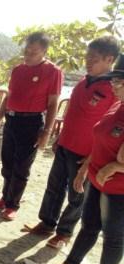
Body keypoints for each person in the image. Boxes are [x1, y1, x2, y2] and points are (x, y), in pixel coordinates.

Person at [23, 36, 120, 249]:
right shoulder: (84, 82)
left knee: (77, 195)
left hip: (86, 153)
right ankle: (47, 222)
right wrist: (60, 136)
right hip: (66, 144)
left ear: (109, 59)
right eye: (87, 56)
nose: (87, 61)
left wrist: (92, 157)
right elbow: (72, 114)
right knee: (54, 187)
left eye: (93, 58)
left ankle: (64, 233)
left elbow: (110, 128)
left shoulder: (114, 90)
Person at [42, 55, 124, 264]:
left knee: (114, 236)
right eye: (114, 81)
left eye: (119, 82)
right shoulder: (117, 106)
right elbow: (100, 139)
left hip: (118, 188)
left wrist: (114, 167)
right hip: (97, 179)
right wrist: (86, 168)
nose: (113, 86)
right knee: (89, 225)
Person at [0, 31, 63, 221]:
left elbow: (53, 103)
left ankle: (13, 205)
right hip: (12, 121)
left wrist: (47, 131)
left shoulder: (53, 72)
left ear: (44, 51)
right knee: (7, 163)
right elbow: (9, 96)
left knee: (22, 166)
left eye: (34, 52)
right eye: (27, 51)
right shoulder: (18, 70)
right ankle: (5, 197)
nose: (28, 55)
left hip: (32, 123)